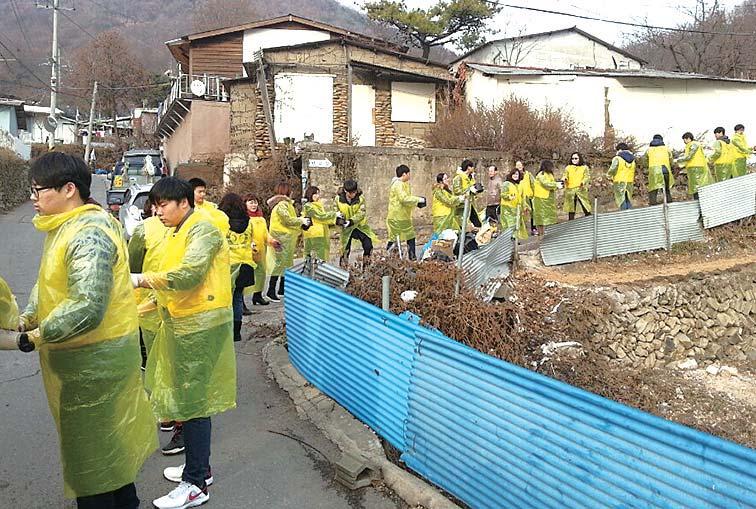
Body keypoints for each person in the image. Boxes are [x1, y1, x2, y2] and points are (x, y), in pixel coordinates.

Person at [17, 152, 157, 508]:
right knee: (109, 459)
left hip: (96, 366)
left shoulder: (89, 232)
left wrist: (33, 337)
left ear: (68, 189)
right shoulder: (66, 226)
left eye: (38, 189)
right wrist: (28, 317)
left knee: (94, 468)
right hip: (86, 363)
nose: (33, 197)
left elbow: (87, 307)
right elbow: (50, 285)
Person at [133, 177, 237, 509]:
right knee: (191, 400)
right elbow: (173, 283)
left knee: (194, 404)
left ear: (184, 203)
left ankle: (195, 485)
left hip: (200, 325)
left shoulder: (202, 229)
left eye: (163, 204)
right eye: (154, 205)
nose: (156, 211)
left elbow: (189, 274)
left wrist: (139, 279)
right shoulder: (179, 230)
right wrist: (140, 304)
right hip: (184, 322)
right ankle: (199, 470)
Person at [218, 192, 255, 343]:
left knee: (225, 300)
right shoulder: (249, 222)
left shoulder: (222, 223)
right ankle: (237, 332)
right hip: (245, 264)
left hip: (227, 265)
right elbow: (253, 240)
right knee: (238, 299)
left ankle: (225, 331)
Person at [266, 182, 310, 302]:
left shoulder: (285, 204)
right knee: (280, 263)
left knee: (286, 263)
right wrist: (301, 220)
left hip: (286, 237)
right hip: (282, 237)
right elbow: (287, 220)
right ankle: (271, 290)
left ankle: (282, 289)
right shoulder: (282, 205)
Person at [334, 179, 378, 266]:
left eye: (354, 192)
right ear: (345, 191)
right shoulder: (338, 199)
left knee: (368, 246)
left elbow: (361, 213)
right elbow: (334, 211)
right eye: (350, 193)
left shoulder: (360, 198)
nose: (353, 195)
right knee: (345, 249)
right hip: (345, 228)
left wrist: (351, 221)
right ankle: (344, 269)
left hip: (359, 226)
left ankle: (367, 268)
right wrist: (339, 219)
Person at [243, 195, 276, 306]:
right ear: (245, 204)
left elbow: (265, 234)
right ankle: (241, 301)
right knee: (245, 276)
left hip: (261, 251)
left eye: (255, 202)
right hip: (248, 252)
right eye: (250, 202)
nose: (253, 205)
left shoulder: (261, 219)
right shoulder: (244, 218)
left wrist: (272, 241)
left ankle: (257, 295)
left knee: (261, 274)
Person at [386, 164, 425, 260]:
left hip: (402, 216)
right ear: (404, 174)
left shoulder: (404, 184)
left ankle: (407, 257)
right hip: (397, 216)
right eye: (408, 174)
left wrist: (416, 203)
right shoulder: (398, 184)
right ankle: (408, 258)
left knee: (403, 237)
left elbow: (407, 199)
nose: (409, 175)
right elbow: (403, 199)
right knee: (401, 238)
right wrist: (419, 200)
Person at [302, 186, 338, 261]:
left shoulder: (318, 205)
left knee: (321, 257)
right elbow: (320, 216)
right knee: (316, 257)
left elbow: (324, 219)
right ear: (310, 194)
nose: (318, 196)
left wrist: (334, 221)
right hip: (313, 234)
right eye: (315, 194)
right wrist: (334, 214)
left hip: (321, 233)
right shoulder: (309, 206)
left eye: (318, 194)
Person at [675, 132, 712, 199]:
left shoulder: (693, 144)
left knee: (696, 186)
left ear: (688, 138)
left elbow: (689, 156)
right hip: (699, 166)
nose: (684, 141)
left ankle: (698, 199)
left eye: (684, 139)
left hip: (695, 167)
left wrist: (678, 160)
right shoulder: (695, 144)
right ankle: (701, 199)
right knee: (699, 184)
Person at [640, 134, 674, 205]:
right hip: (665, 170)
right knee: (666, 189)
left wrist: (648, 166)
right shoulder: (666, 148)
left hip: (654, 171)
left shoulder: (648, 150)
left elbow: (644, 161)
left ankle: (653, 205)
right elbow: (671, 159)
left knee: (653, 189)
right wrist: (671, 165)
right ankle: (669, 204)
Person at [532, 159, 560, 236]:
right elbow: (546, 184)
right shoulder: (541, 175)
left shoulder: (550, 174)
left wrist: (557, 185)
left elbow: (551, 183)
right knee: (541, 218)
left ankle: (548, 234)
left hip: (548, 199)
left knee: (549, 218)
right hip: (540, 199)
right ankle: (541, 234)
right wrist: (556, 185)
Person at [452, 159, 482, 228]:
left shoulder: (471, 178)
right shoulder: (458, 177)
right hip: (461, 205)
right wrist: (469, 190)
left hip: (470, 203)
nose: (473, 169)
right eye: (472, 167)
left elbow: (473, 188)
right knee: (462, 224)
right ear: (468, 167)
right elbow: (457, 190)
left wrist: (476, 190)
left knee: (477, 224)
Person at [500, 169, 529, 239]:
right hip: (507, 208)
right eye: (514, 174)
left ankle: (514, 240)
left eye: (517, 174)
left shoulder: (517, 185)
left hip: (516, 208)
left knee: (516, 225)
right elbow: (503, 194)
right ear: (511, 175)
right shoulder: (506, 183)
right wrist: (509, 197)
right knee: (509, 225)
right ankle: (509, 240)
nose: (515, 176)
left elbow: (521, 197)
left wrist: (524, 206)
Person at [562, 152, 592, 219]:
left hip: (580, 189)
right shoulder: (568, 168)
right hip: (570, 190)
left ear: (579, 159)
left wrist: (583, 182)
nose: (574, 160)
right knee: (571, 208)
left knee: (585, 205)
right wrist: (564, 179)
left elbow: (587, 177)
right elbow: (565, 175)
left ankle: (589, 219)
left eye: (576, 158)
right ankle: (571, 222)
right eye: (572, 158)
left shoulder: (584, 168)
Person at [608, 142, 636, 210]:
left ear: (620, 150)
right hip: (629, 182)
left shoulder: (617, 158)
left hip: (619, 181)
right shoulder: (633, 159)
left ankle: (623, 216)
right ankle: (630, 216)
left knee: (621, 200)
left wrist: (609, 176)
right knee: (628, 199)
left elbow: (612, 169)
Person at [515, 160, 537, 235]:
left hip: (528, 196)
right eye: (517, 166)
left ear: (523, 166)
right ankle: (521, 231)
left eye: (520, 165)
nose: (519, 167)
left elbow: (534, 183)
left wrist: (534, 193)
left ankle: (533, 228)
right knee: (520, 214)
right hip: (520, 197)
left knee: (532, 213)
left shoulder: (528, 174)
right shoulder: (515, 175)